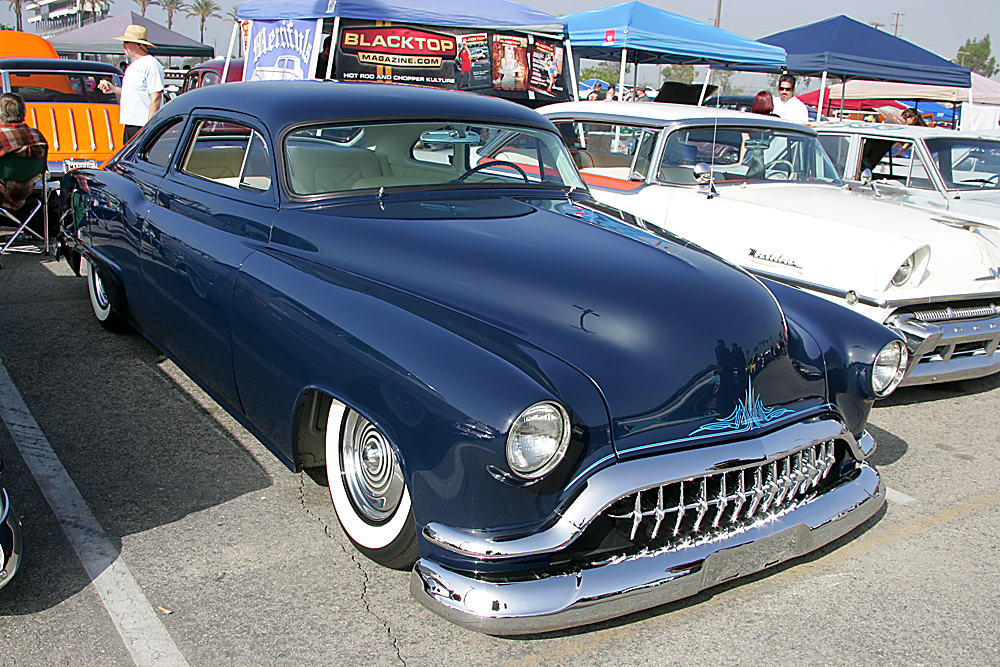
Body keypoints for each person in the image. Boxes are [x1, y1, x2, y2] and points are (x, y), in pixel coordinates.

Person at [97, 25, 164, 143]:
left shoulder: (151, 64)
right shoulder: (132, 65)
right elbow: (132, 92)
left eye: (127, 42)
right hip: (130, 124)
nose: (124, 45)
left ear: (138, 44)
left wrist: (150, 126)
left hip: (143, 125)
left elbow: (156, 96)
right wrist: (113, 89)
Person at [0, 92, 48, 213]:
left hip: (2, 197)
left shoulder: (2, 137)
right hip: (24, 197)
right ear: (23, 113)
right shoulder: (37, 136)